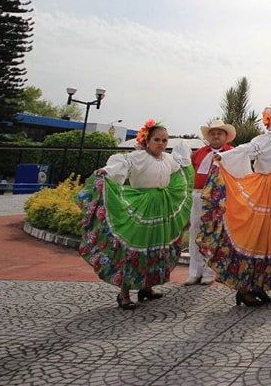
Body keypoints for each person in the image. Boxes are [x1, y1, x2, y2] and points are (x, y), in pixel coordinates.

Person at [78, 119, 193, 310]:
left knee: (155, 246)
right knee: (134, 247)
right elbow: (121, 165)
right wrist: (106, 171)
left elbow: (181, 173)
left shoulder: (168, 159)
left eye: (164, 140)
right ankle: (124, 293)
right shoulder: (137, 157)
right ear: (147, 140)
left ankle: (147, 287)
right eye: (157, 140)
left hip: (161, 205)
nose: (161, 144)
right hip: (142, 205)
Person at [197, 106, 271, 307]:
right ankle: (244, 289)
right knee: (257, 236)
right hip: (264, 191)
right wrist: (224, 158)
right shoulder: (264, 141)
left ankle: (260, 286)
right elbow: (244, 151)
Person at [185, 120, 235, 286]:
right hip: (199, 195)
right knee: (195, 230)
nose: (216, 136)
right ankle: (194, 271)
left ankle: (209, 271)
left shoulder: (231, 153)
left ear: (226, 137)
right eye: (212, 133)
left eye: (219, 133)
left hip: (219, 198)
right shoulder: (199, 153)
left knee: (214, 233)